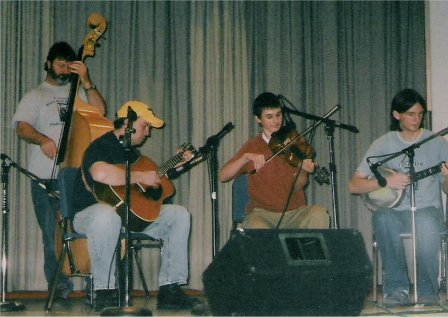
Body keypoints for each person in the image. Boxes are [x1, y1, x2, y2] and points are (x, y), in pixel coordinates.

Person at [71, 100, 201, 311]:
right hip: (89, 215)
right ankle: (104, 291)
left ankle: (170, 289)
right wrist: (141, 176)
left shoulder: (134, 155)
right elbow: (100, 173)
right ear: (127, 123)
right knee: (107, 214)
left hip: (128, 215)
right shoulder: (101, 146)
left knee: (179, 214)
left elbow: (150, 184)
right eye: (145, 126)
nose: (148, 133)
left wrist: (175, 165)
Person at [12, 42, 106, 299]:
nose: (64, 70)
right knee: (51, 235)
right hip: (45, 176)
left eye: (68, 65)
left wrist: (86, 81)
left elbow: (101, 113)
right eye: (60, 64)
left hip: (77, 175)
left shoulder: (78, 92)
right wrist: (42, 139)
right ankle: (59, 288)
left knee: (89, 228)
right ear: (48, 63)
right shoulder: (35, 95)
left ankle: (95, 286)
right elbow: (22, 127)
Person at [348, 88, 448, 307]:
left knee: (426, 221)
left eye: (420, 113)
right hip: (395, 212)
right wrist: (385, 182)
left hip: (427, 211)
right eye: (410, 114)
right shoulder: (383, 144)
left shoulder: (437, 143)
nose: (416, 119)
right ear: (396, 115)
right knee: (382, 217)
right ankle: (397, 290)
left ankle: (428, 290)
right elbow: (354, 185)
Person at [219, 92, 329, 229]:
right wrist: (245, 157)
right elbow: (223, 176)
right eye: (269, 117)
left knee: (319, 214)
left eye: (278, 115)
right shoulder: (252, 146)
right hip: (262, 213)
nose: (276, 121)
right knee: (257, 228)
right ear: (258, 119)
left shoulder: (296, 141)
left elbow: (297, 186)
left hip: (294, 212)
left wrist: (304, 172)